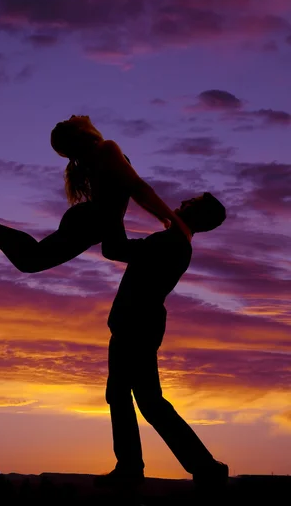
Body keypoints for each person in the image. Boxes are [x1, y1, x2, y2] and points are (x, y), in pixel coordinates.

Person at [94, 192, 229, 491]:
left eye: (189, 204)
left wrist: (113, 206)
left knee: (132, 398)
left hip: (136, 328)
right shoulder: (174, 243)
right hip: (139, 327)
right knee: (142, 400)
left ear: (196, 216)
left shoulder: (169, 243)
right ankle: (199, 467)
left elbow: (113, 249)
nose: (180, 203)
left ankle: (137, 468)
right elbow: (115, 248)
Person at [0, 115, 191, 272]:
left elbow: (132, 188)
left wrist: (165, 218)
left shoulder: (91, 158)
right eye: (72, 120)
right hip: (99, 217)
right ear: (81, 133)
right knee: (38, 259)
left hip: (94, 218)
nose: (75, 115)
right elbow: (138, 187)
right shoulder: (106, 148)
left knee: (31, 260)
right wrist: (172, 219)